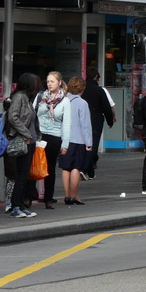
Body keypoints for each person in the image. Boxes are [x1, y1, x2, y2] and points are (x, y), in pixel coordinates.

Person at [6, 72, 42, 219]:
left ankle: (20, 204)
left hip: (30, 141)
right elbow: (12, 116)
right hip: (23, 141)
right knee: (21, 175)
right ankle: (15, 205)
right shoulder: (20, 97)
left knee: (24, 175)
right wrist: (26, 133)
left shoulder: (27, 98)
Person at [35, 71, 68, 209]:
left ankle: (48, 198)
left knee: (50, 169)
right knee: (34, 166)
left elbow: (67, 123)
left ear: (59, 82)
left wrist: (65, 143)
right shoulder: (41, 97)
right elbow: (34, 114)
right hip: (40, 134)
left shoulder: (65, 101)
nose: (49, 84)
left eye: (52, 81)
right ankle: (29, 197)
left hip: (54, 136)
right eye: (48, 81)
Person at [60, 76, 92, 206]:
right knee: (76, 168)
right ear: (81, 88)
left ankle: (66, 196)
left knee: (65, 167)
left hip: (64, 139)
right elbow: (85, 124)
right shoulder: (82, 103)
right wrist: (89, 142)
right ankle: (74, 195)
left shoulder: (63, 100)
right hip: (78, 139)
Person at [81, 67, 114, 180]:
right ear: (96, 77)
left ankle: (88, 171)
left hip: (82, 121)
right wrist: (110, 121)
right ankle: (85, 168)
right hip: (95, 121)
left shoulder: (82, 89)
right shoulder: (99, 90)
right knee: (92, 146)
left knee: (83, 144)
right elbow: (106, 108)